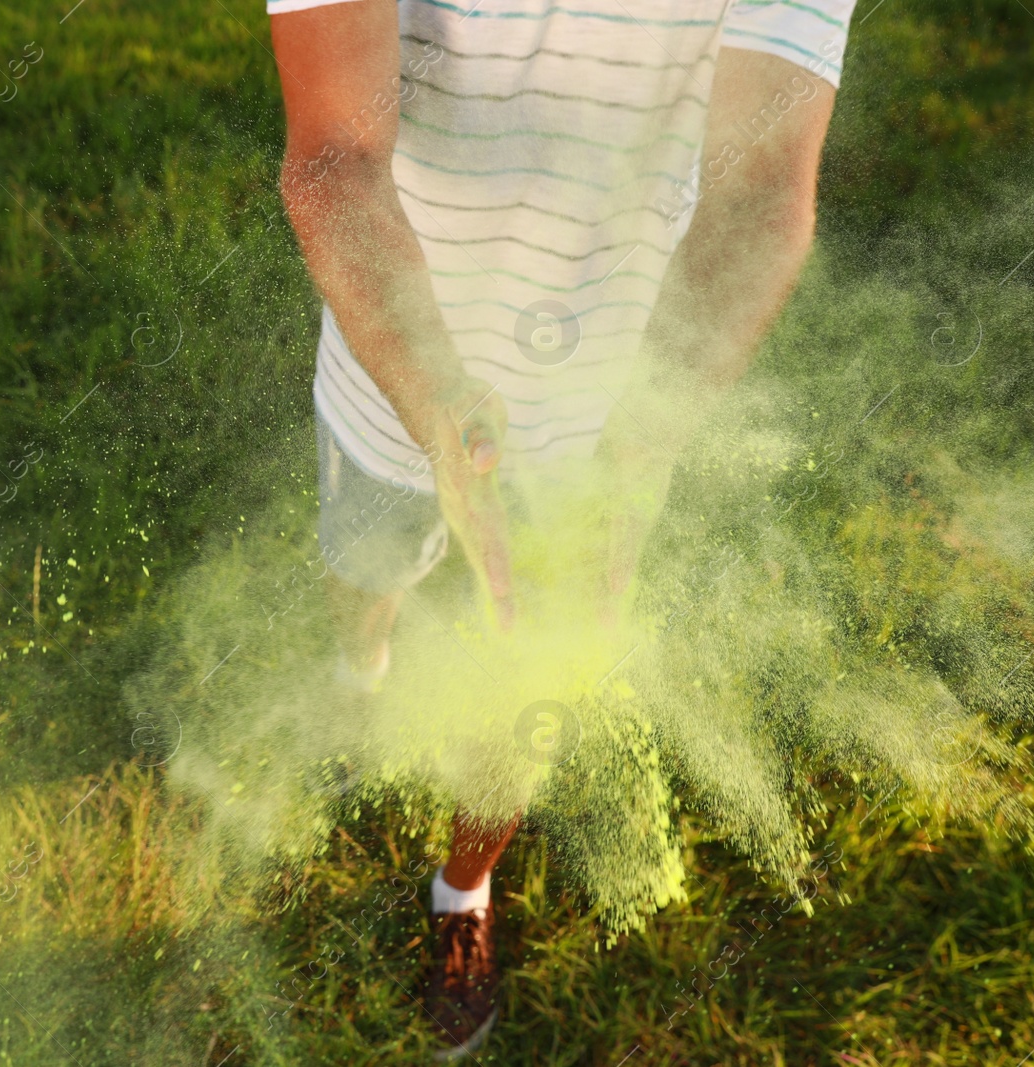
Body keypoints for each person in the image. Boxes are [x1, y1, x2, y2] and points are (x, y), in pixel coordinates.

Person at [268, 0, 858, 1056]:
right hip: (390, 344)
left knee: (530, 673)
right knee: (369, 558)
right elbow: (336, 157)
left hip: (610, 402)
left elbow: (759, 190)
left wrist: (636, 451)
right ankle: (358, 683)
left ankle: (463, 886)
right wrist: (437, 400)